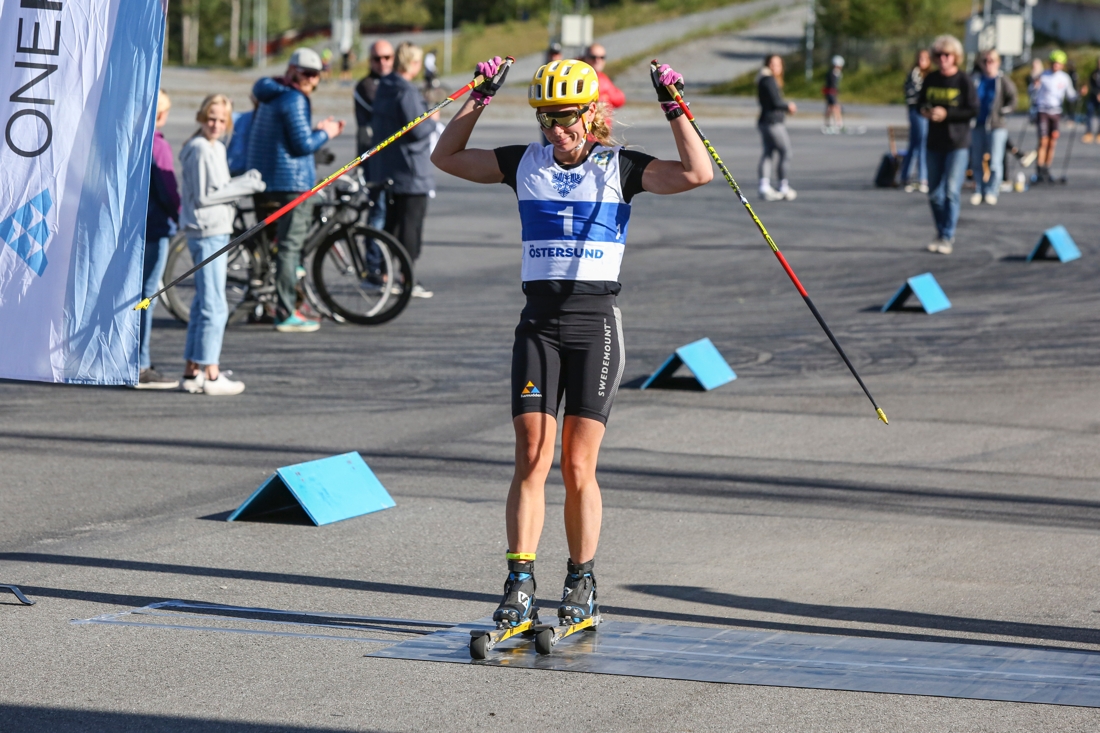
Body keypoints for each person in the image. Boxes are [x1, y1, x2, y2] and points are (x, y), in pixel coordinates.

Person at [431, 57, 713, 630]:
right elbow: (446, 157)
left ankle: (581, 580)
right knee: (531, 458)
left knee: (578, 466)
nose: (556, 131)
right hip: (539, 326)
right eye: (545, 120)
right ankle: (519, 582)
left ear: (590, 113)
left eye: (565, 119)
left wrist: (673, 105)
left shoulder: (620, 167)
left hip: (594, 326)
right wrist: (480, 96)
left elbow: (697, 173)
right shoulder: (525, 162)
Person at [247, 47, 345, 331]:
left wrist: (313, 129)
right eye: (307, 74)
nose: (312, 81)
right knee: (290, 248)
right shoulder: (294, 98)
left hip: (265, 181)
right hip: (291, 183)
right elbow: (302, 145)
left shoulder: (271, 93)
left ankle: (264, 303)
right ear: (292, 71)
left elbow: (289, 134)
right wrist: (328, 132)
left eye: (316, 76)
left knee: (269, 249)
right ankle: (286, 312)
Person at [178, 94, 267, 395]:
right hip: (207, 232)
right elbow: (206, 196)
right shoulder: (201, 148)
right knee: (215, 306)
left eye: (221, 120)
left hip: (212, 229)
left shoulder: (213, 147)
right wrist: (246, 185)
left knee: (204, 302)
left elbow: (216, 189)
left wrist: (242, 182)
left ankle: (192, 371)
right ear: (202, 117)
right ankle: (212, 374)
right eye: (211, 118)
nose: (215, 124)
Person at [370, 42, 436, 299]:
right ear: (412, 63)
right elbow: (417, 129)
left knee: (392, 225)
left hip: (389, 167)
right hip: (411, 171)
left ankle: (386, 276)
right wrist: (431, 118)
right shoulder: (406, 90)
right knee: (410, 227)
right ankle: (406, 277)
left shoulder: (385, 87)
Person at [136, 90, 182, 390]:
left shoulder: (131, 139)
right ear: (162, 114)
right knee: (146, 297)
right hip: (154, 228)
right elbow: (168, 191)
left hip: (130, 229)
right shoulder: (157, 145)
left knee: (132, 294)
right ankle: (140, 363)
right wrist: (179, 214)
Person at [918, 35, 976, 255]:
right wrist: (925, 111)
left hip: (957, 142)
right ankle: (941, 230)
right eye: (939, 55)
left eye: (947, 55)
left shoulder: (963, 80)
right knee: (934, 193)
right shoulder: (931, 79)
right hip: (934, 142)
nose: (943, 59)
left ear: (955, 57)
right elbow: (920, 103)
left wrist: (947, 114)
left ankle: (947, 235)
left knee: (952, 190)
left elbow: (973, 109)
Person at [354, 40, 395, 230]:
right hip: (373, 158)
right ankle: (373, 258)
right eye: (377, 59)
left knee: (393, 212)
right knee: (378, 210)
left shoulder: (394, 82)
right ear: (370, 61)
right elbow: (387, 110)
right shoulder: (366, 85)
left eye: (387, 57)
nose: (383, 62)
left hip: (393, 158)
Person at [968, 49, 1017, 206]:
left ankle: (992, 191)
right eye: (985, 61)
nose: (988, 64)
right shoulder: (975, 80)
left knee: (995, 161)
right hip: (977, 124)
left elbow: (1013, 100)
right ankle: (979, 189)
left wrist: (1003, 111)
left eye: (992, 61)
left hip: (997, 126)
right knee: (976, 160)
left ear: (998, 62)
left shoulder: (1003, 81)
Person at [1031, 50, 1078, 183]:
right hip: (1043, 110)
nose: (1055, 66)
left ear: (1062, 65)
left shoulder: (1064, 78)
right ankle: (1039, 169)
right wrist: (1034, 87)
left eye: (1058, 64)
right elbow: (1032, 91)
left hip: (1056, 112)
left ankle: (1047, 168)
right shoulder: (1043, 75)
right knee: (1043, 141)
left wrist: (1079, 94)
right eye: (1053, 63)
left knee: (1052, 142)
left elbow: (1071, 96)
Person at [756, 54, 797, 201]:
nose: (776, 67)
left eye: (778, 64)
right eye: (773, 64)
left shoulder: (764, 79)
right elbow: (775, 102)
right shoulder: (768, 80)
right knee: (786, 152)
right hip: (772, 122)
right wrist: (789, 106)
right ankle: (783, 186)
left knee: (768, 152)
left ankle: (764, 185)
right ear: (767, 64)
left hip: (766, 121)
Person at [901, 49, 931, 193]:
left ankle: (908, 176)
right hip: (917, 111)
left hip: (926, 112)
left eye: (925, 58)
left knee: (917, 144)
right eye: (920, 58)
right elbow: (917, 95)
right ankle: (920, 178)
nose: (921, 61)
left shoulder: (930, 75)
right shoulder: (915, 74)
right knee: (920, 143)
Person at [582, 44, 626, 110]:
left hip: (601, 119)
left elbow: (619, 100)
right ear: (585, 58)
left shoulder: (602, 77)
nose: (597, 61)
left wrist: (606, 96)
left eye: (602, 57)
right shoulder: (579, 75)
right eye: (593, 57)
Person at [225, 94, 257, 176]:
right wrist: (226, 112)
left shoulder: (269, 121)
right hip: (233, 169)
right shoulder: (238, 119)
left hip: (253, 173)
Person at [823, 55, 844, 133]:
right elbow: (832, 85)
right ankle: (839, 124)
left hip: (830, 93)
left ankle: (827, 124)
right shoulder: (834, 73)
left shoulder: (833, 73)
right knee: (836, 108)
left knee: (830, 108)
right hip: (831, 93)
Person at [1084, 56, 1100, 143]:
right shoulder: (1094, 73)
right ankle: (1088, 133)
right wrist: (1097, 94)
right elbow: (1091, 85)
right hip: (1093, 97)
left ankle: (1099, 134)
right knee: (1089, 114)